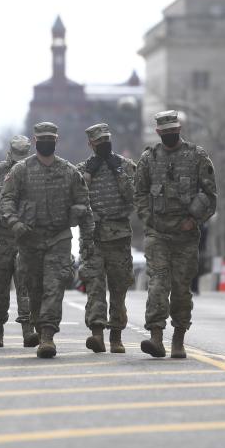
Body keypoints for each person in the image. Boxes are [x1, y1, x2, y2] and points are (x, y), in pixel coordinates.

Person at [0, 121, 94, 359]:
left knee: (55, 286)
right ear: (34, 141)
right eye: (42, 139)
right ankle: (38, 325)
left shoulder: (69, 171)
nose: (46, 143)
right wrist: (15, 223)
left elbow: (83, 201)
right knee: (35, 288)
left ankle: (47, 336)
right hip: (29, 238)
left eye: (51, 139)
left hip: (58, 238)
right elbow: (6, 198)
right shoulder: (21, 170)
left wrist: (78, 221)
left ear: (56, 141)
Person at [135, 111, 216, 359]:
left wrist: (194, 220)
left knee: (181, 289)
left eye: (174, 131)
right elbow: (139, 194)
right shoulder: (148, 159)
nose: (170, 135)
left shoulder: (197, 157)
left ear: (179, 129)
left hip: (186, 237)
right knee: (158, 284)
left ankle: (178, 337)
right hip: (158, 235)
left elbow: (210, 196)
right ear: (159, 132)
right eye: (166, 132)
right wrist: (149, 221)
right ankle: (156, 336)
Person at [77, 123, 136, 354]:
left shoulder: (125, 166)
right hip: (92, 236)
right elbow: (77, 200)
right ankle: (97, 333)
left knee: (119, 286)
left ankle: (116, 336)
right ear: (90, 144)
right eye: (98, 142)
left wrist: (118, 172)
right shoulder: (82, 169)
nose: (103, 146)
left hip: (119, 236)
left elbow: (132, 198)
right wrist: (88, 176)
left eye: (106, 141)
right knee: (94, 286)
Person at [0, 136, 34, 347]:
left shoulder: (34, 171)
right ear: (9, 152)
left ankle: (28, 329)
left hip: (24, 237)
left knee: (26, 285)